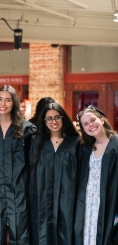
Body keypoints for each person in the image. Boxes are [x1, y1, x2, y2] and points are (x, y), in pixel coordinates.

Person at [0, 85, 36, 245]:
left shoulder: (27, 129)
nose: (3, 103)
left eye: (8, 99)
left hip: (18, 192)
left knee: (19, 235)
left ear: (14, 103)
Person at [29, 102, 80, 245]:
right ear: (44, 122)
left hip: (67, 201)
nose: (54, 121)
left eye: (57, 117)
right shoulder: (36, 143)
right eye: (49, 119)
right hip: (42, 200)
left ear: (63, 118)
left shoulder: (76, 143)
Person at [74, 105, 118, 245]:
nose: (90, 125)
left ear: (102, 120)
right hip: (88, 202)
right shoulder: (86, 147)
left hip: (109, 201)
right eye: (85, 124)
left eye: (93, 120)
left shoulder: (116, 144)